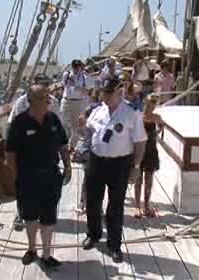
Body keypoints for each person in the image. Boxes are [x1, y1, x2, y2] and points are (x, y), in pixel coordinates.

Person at [5, 84, 72, 267]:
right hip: (27, 178)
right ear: (31, 101)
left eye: (47, 98)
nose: (48, 101)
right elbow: (10, 154)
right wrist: (16, 178)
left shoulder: (53, 120)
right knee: (30, 217)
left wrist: (68, 166)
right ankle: (32, 249)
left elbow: (63, 146)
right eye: (43, 98)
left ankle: (46, 254)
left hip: (51, 177)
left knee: (49, 217)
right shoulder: (19, 122)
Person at [82, 77, 147, 263]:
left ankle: (114, 244)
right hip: (96, 160)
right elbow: (89, 130)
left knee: (115, 205)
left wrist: (136, 167)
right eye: (103, 92)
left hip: (119, 163)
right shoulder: (97, 110)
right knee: (93, 201)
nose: (104, 95)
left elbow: (141, 141)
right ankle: (93, 234)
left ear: (119, 92)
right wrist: (82, 130)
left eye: (108, 92)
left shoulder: (131, 113)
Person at [6, 74, 60, 231]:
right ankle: (20, 213)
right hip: (25, 153)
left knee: (46, 187)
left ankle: (44, 215)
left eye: (46, 84)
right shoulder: (22, 102)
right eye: (40, 84)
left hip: (46, 154)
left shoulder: (54, 103)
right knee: (23, 186)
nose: (44, 87)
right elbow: (12, 125)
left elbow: (58, 127)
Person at [133, 94, 163, 218]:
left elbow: (161, 126)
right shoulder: (139, 115)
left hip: (151, 149)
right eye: (149, 103)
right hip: (140, 150)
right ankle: (137, 206)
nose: (151, 106)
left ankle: (146, 205)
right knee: (138, 179)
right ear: (145, 103)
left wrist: (157, 133)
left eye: (153, 104)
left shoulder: (156, 117)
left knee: (149, 179)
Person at [73, 89, 102, 214]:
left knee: (88, 178)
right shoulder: (104, 110)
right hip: (98, 148)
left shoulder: (89, 110)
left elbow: (80, 133)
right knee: (99, 180)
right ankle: (96, 206)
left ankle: (83, 203)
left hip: (88, 148)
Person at [60, 59, 88, 152]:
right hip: (67, 101)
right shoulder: (67, 75)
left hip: (78, 102)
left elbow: (86, 91)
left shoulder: (84, 77)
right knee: (64, 122)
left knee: (75, 126)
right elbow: (63, 85)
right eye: (74, 67)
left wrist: (77, 87)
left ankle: (72, 146)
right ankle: (64, 143)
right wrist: (68, 82)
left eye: (78, 67)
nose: (76, 69)